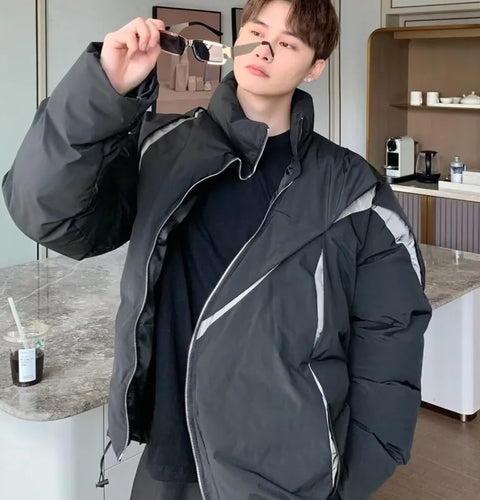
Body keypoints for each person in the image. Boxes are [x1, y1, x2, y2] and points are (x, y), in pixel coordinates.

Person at [2, 0, 432, 498]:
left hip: (284, 475)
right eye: (257, 31)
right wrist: (105, 87)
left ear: (314, 68)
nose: (265, 49)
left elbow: (390, 345)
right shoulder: (162, 148)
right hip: (168, 460)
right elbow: (49, 215)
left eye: (288, 43)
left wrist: (343, 480)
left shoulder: (356, 194)